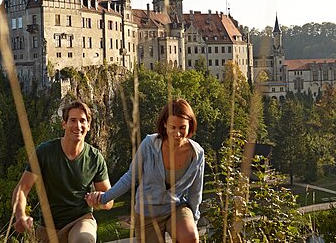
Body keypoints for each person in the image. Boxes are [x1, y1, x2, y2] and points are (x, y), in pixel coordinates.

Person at [87, 98, 205, 242]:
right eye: (173, 127)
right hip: (147, 214)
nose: (178, 133)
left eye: (182, 128)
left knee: (190, 237)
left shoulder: (197, 153)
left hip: (176, 208)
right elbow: (130, 177)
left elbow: (195, 192)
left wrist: (194, 220)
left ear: (190, 126)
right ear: (165, 125)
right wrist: (105, 197)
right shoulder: (149, 145)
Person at [12, 100, 113, 243]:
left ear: (89, 126)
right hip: (48, 227)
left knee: (83, 240)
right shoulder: (44, 152)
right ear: (64, 124)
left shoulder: (95, 158)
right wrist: (20, 215)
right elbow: (22, 189)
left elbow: (109, 201)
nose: (78, 126)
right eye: (72, 120)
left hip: (81, 220)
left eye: (82, 121)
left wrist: (100, 199)